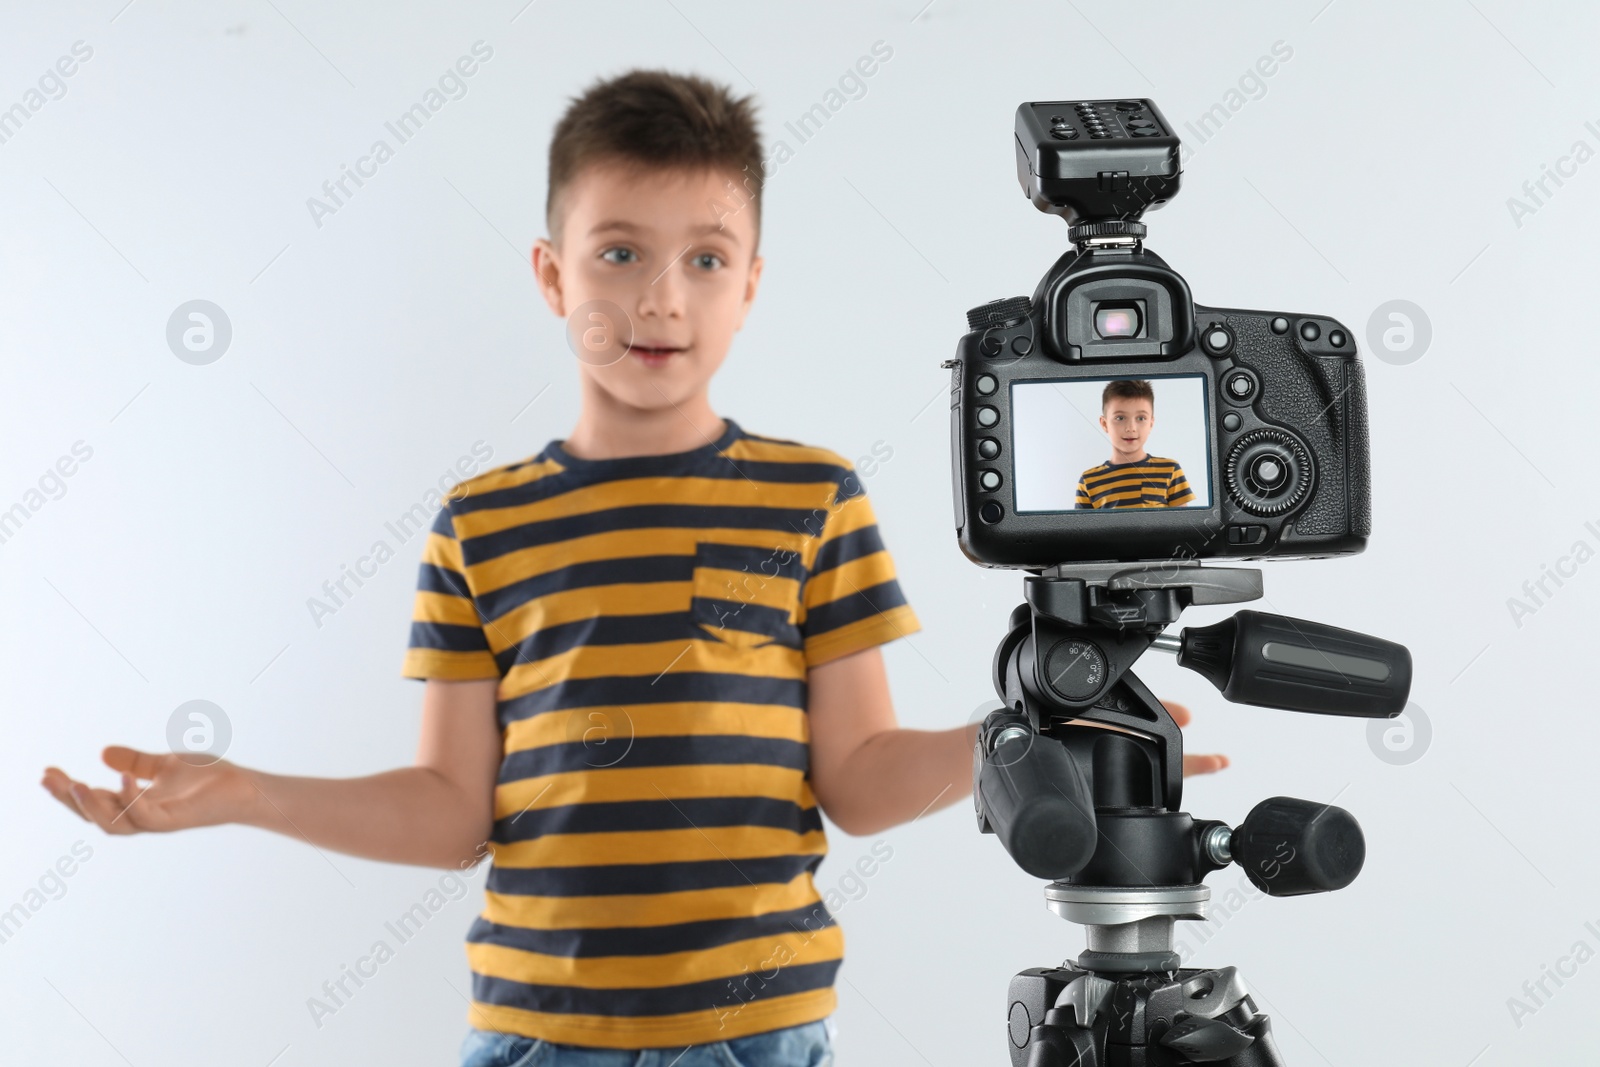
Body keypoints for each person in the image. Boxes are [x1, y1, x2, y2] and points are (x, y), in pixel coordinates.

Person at [40, 70, 1228, 1066]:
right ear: (555, 275)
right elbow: (454, 810)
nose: (660, 296)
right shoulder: (480, 522)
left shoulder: (814, 498)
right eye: (618, 252)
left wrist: (1033, 741)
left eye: (707, 258)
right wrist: (249, 791)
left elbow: (859, 779)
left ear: (751, 282)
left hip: (754, 1038)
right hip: (535, 1038)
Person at [1075, 379, 1196, 510]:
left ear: (1151, 423)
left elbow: (1183, 527)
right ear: (1104, 424)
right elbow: (1083, 530)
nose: (1131, 428)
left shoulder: (1171, 470)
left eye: (1141, 418)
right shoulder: (1088, 480)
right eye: (1120, 418)